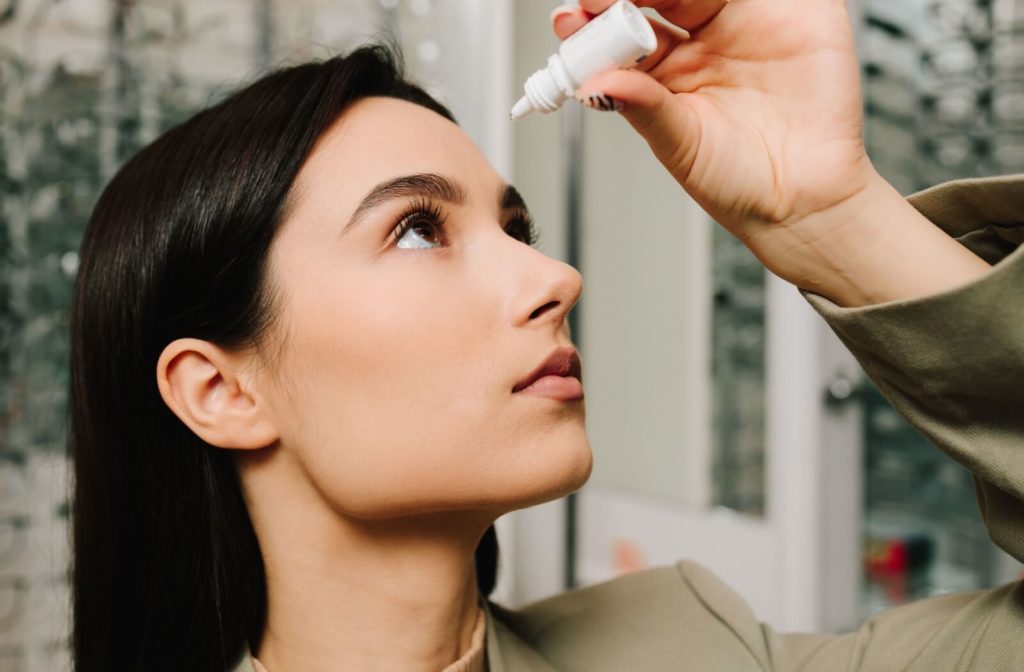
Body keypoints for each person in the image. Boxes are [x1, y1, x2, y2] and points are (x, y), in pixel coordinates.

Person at [66, 3, 1022, 672]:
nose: (555, 278)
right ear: (220, 392)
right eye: (416, 229)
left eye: (514, 229)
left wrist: (834, 217)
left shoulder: (687, 650)